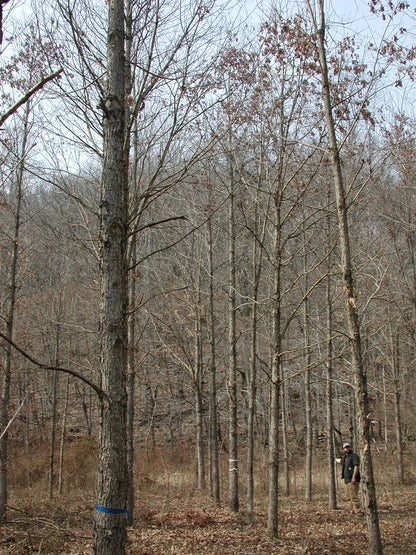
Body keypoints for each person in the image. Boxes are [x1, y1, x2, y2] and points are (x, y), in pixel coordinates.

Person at [336, 443, 361, 514]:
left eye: (348, 447)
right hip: (346, 480)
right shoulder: (345, 458)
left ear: (350, 448)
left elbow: (356, 466)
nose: (347, 449)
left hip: (353, 480)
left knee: (354, 497)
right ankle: (352, 511)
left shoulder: (354, 456)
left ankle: (358, 511)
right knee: (348, 497)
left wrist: (354, 477)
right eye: (345, 448)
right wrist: (336, 460)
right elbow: (341, 462)